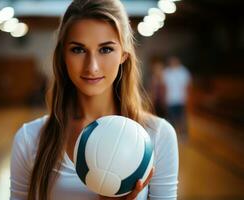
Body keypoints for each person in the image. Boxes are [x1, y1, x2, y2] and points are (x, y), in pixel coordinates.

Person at [10, 0, 179, 200]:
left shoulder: (158, 135)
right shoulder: (29, 139)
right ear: (63, 55)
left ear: (124, 55)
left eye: (106, 49)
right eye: (78, 49)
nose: (92, 67)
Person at [163, 56, 191, 137]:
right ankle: (174, 135)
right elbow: (164, 86)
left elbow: (187, 85)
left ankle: (184, 133)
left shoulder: (183, 71)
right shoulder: (166, 72)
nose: (172, 63)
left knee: (182, 118)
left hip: (181, 99)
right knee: (172, 119)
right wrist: (165, 98)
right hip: (170, 99)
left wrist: (187, 97)